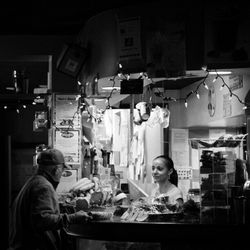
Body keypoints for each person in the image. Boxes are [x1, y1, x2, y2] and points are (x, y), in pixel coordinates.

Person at [8, 148, 92, 250]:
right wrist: (72, 218)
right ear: (56, 170)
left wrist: (64, 201)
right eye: (62, 170)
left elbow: (38, 210)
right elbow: (43, 220)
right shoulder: (43, 186)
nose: (62, 174)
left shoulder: (34, 181)